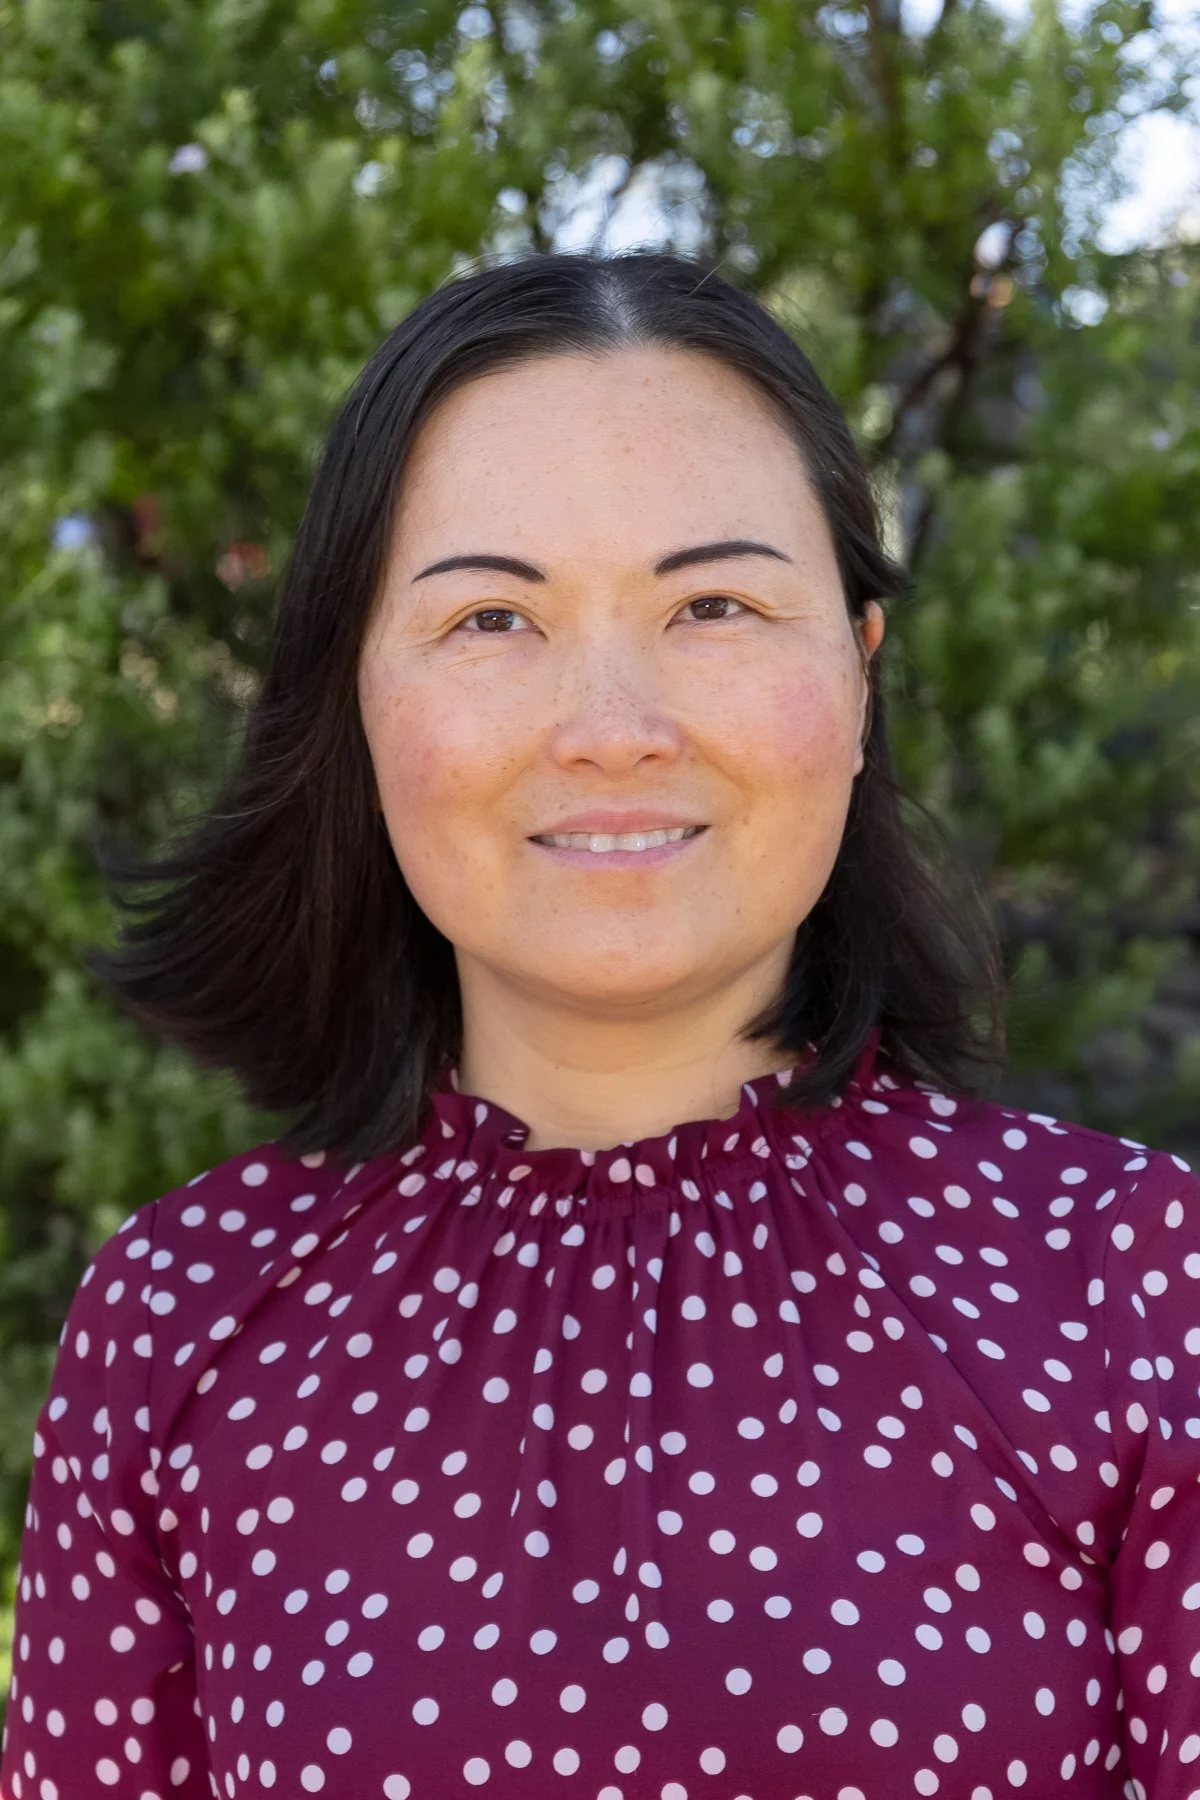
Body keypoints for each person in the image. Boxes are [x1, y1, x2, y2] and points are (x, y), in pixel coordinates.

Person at [2, 250, 1197, 1800]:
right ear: (359, 703)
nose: (613, 727)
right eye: (493, 620)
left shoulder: (1134, 1286)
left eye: (714, 602)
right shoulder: (182, 1320)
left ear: (857, 673)